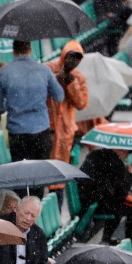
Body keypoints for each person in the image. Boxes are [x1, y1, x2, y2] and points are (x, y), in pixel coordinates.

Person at [0, 40, 64, 162]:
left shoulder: (4, 73)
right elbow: (59, 96)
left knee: (21, 175)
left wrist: (10, 105)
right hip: (41, 129)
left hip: (17, 132)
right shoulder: (44, 70)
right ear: (30, 50)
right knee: (43, 173)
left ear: (13, 51)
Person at [44, 40, 88, 203]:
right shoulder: (49, 69)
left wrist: (71, 83)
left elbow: (81, 103)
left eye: (77, 59)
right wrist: (56, 79)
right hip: (47, 128)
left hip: (64, 133)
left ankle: (56, 206)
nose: (73, 61)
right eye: (71, 57)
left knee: (59, 177)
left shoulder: (77, 78)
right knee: (43, 173)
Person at [77, 148, 132, 250]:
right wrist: (130, 174)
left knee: (119, 205)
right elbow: (122, 192)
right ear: (123, 151)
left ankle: (108, 238)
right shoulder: (116, 164)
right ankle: (130, 242)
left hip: (87, 199)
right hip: (95, 203)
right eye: (126, 154)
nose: (126, 157)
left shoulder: (96, 155)